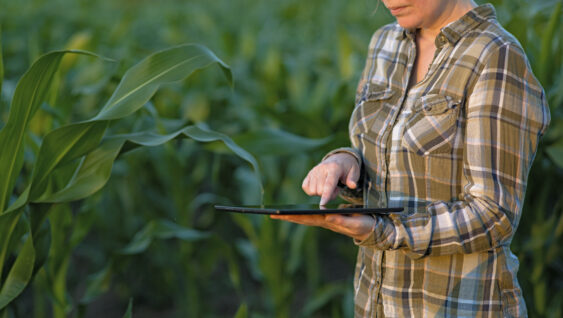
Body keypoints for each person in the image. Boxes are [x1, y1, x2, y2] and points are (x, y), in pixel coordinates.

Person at [270, 0, 551, 316]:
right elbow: (384, 154)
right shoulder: (385, 43)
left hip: (457, 305)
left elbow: (494, 214)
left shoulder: (495, 55)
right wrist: (344, 165)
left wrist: (387, 232)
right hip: (375, 301)